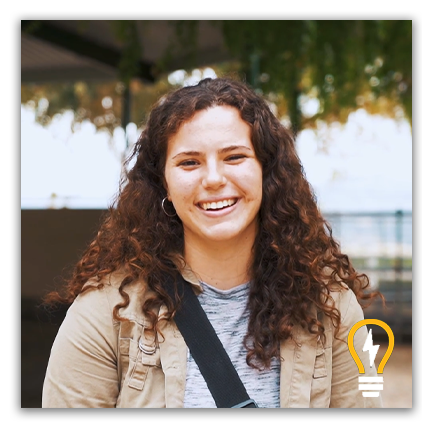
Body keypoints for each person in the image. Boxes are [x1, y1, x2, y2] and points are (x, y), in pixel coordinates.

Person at [42, 77, 384, 408]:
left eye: (234, 157)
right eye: (189, 162)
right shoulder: (104, 312)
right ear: (164, 186)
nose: (214, 179)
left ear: (267, 172)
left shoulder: (332, 308)